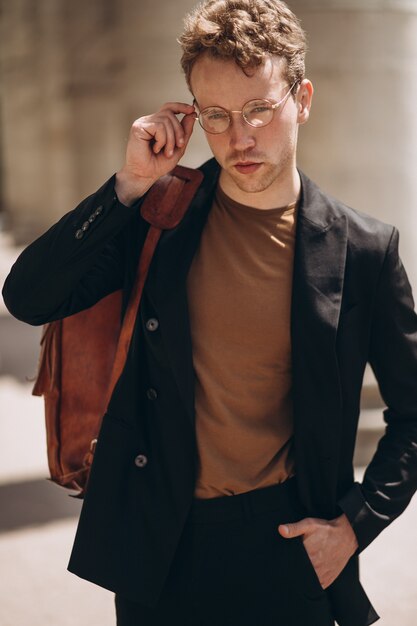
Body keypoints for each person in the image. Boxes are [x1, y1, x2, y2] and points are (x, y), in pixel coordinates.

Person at [2, 0, 417, 624]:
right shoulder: (159, 218)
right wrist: (127, 186)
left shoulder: (363, 248)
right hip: (160, 549)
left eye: (258, 110)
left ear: (301, 99)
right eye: (216, 116)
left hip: (288, 547)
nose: (239, 137)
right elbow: (27, 296)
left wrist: (354, 527)